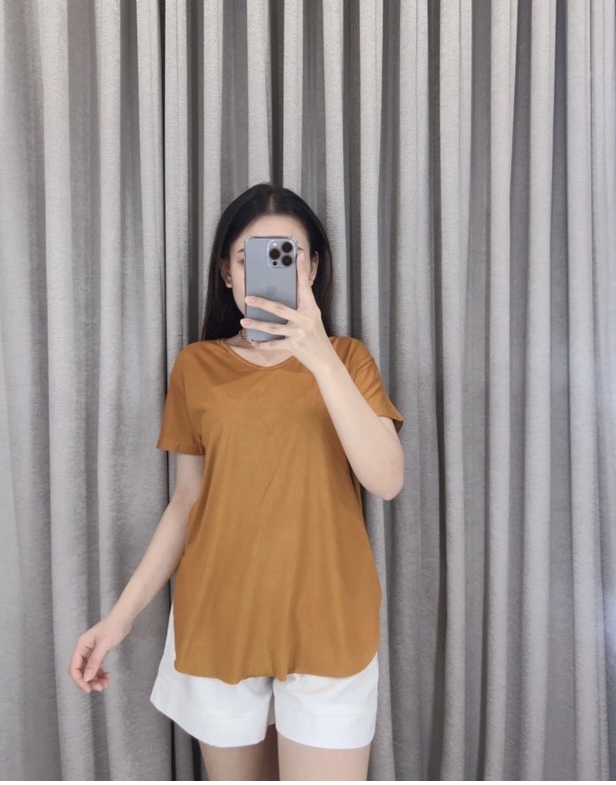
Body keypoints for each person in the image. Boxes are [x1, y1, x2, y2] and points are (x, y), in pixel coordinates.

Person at [69, 183, 404, 780]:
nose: (268, 272)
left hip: (330, 620)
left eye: (286, 256)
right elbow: (186, 503)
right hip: (219, 617)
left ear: (313, 267)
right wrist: (119, 619)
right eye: (249, 258)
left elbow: (387, 479)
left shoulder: (349, 359)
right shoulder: (196, 367)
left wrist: (319, 356)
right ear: (226, 271)